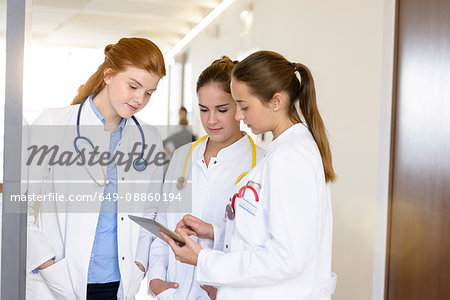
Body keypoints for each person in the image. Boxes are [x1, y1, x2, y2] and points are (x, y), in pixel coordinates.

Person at [160, 51, 337, 299]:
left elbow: (286, 258)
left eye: (243, 106)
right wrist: (214, 232)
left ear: (276, 101)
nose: (239, 116)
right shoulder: (283, 151)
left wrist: (204, 260)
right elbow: (262, 236)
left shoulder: (290, 157)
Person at [26, 37, 166, 300]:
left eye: (149, 92)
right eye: (133, 86)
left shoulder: (150, 139)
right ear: (109, 75)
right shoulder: (54, 124)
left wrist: (139, 264)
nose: (140, 99)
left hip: (117, 282)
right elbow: (20, 206)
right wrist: (46, 263)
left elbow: (150, 211)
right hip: (56, 279)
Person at [148, 56, 264, 300]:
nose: (211, 120)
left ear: (241, 107)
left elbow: (259, 246)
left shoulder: (261, 165)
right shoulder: (182, 156)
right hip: (172, 292)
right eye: (203, 109)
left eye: (222, 110)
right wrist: (157, 279)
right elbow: (163, 225)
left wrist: (228, 289)